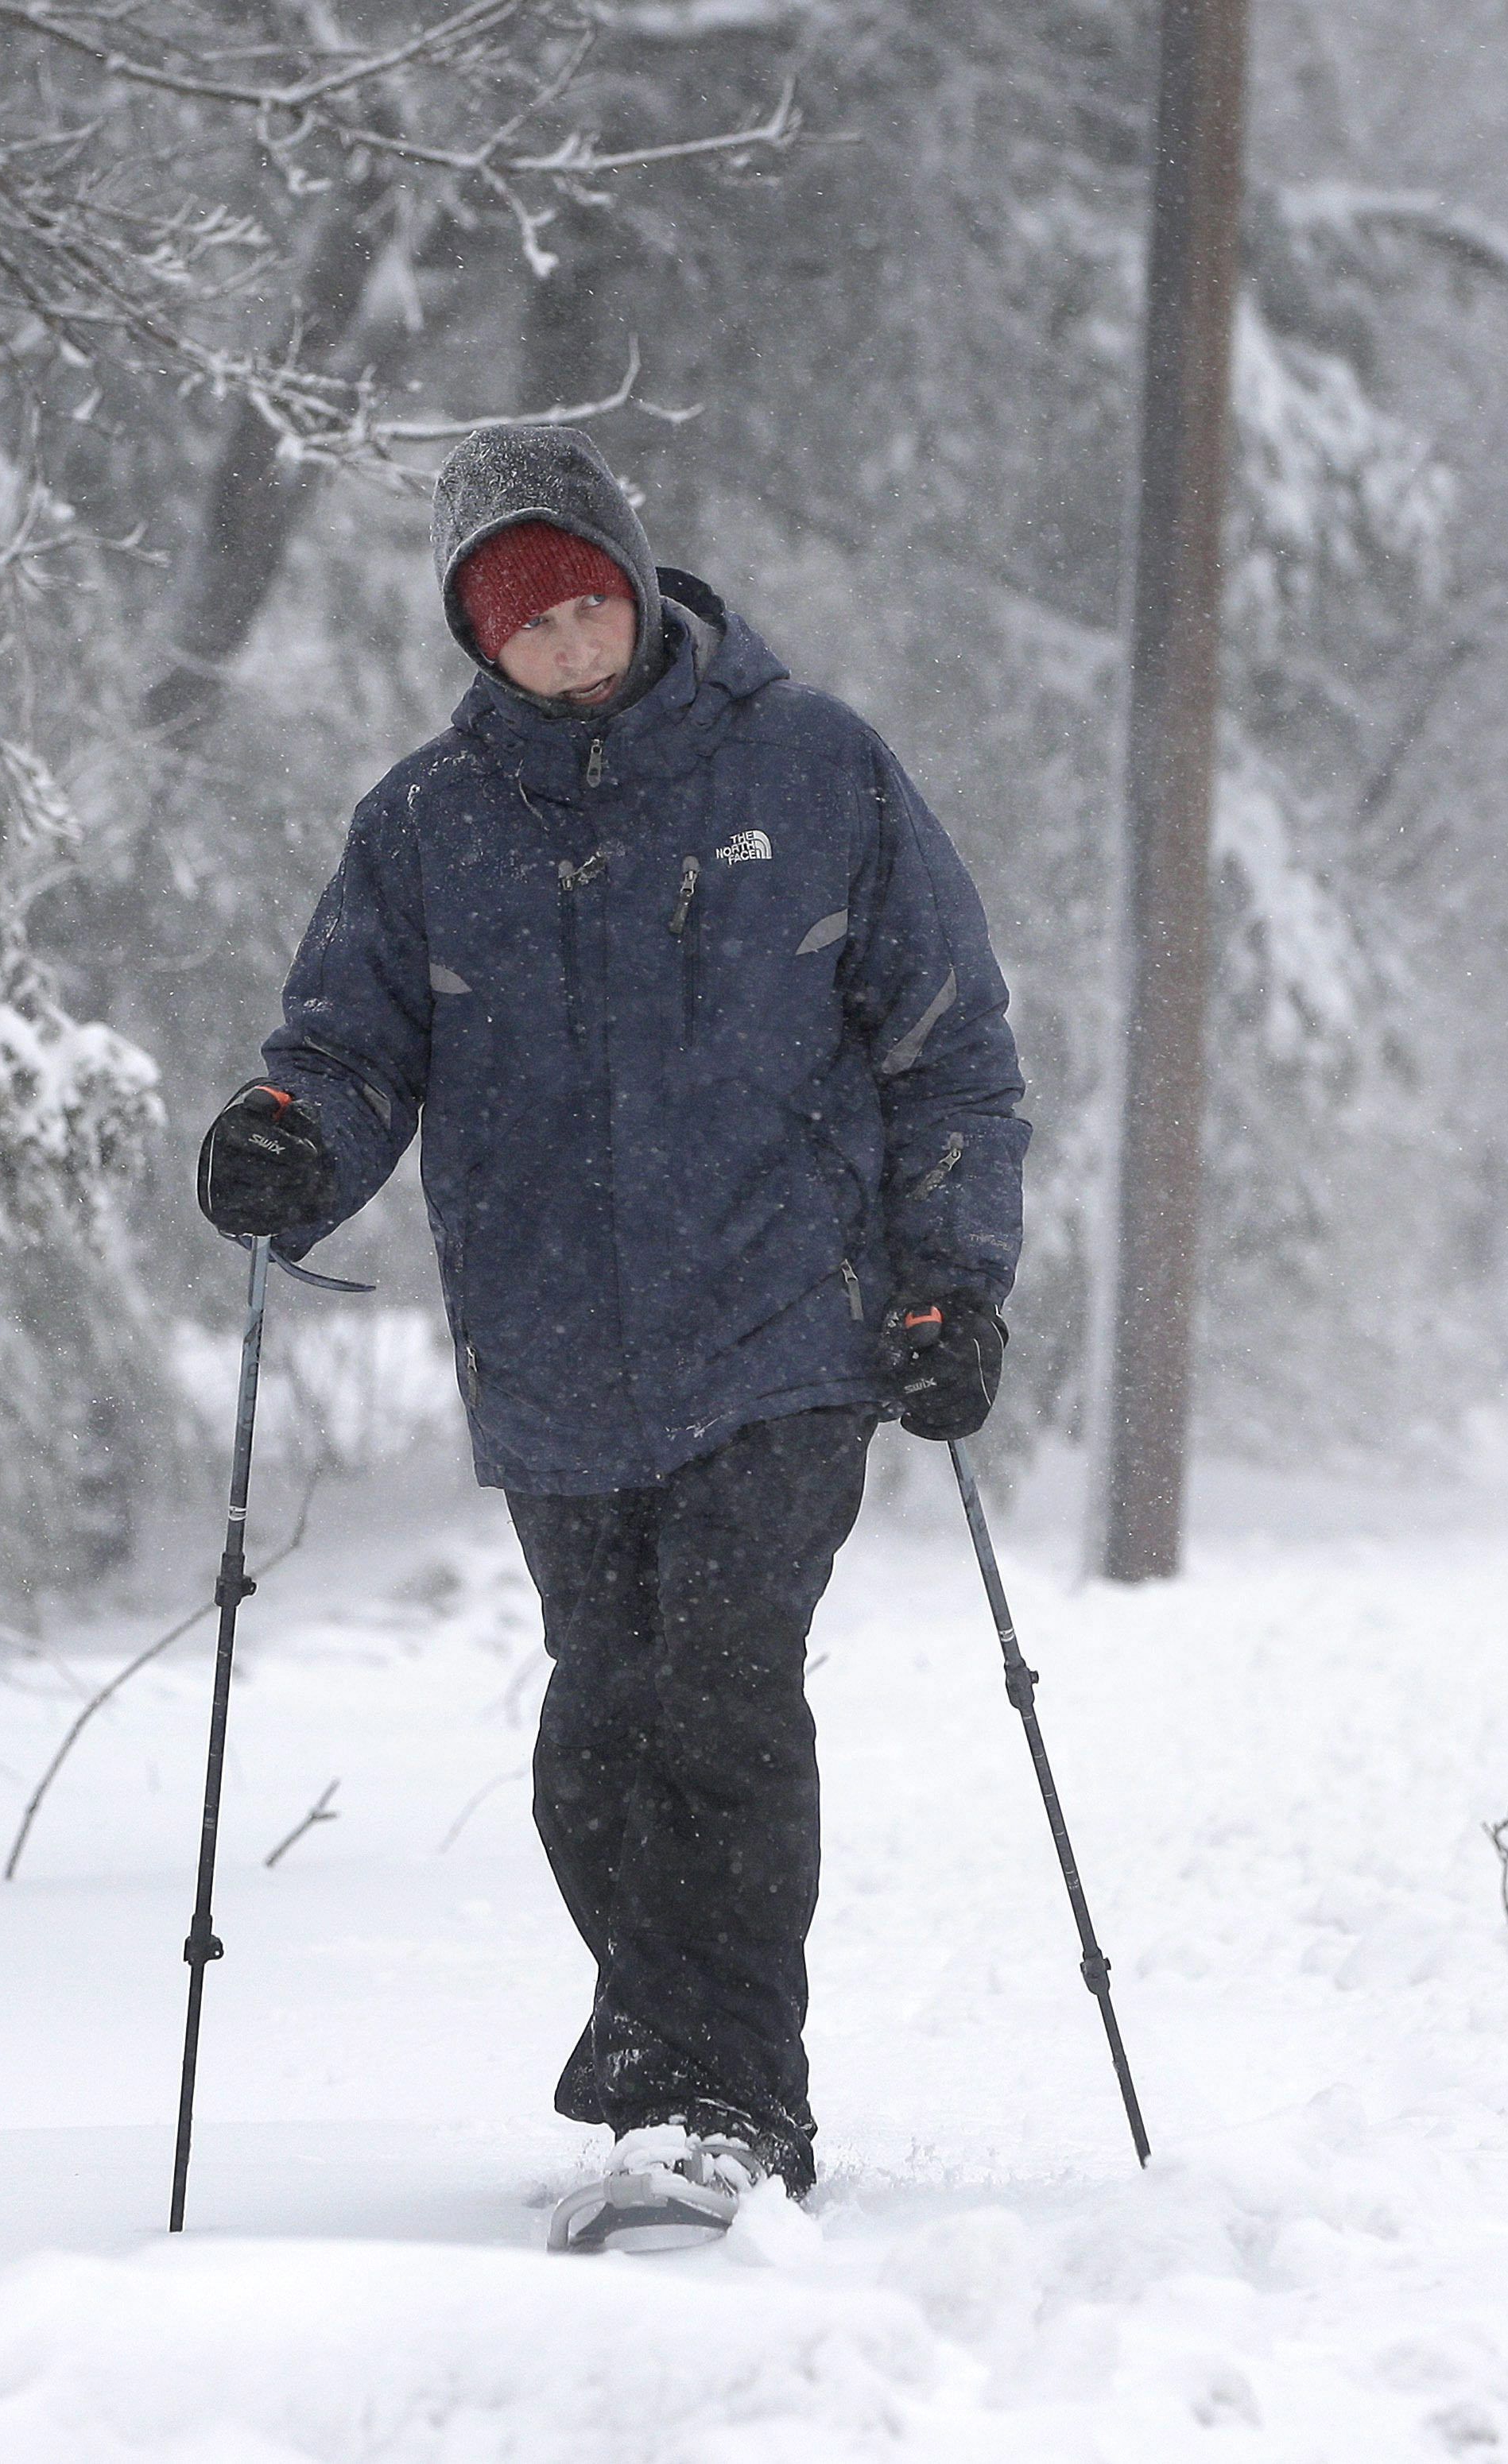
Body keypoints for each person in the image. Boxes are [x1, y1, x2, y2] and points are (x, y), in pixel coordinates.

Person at [191, 422, 1025, 2249]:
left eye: (585, 603)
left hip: (784, 1328)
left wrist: (951, 1281)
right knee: (596, 1728)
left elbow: (948, 1041)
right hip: (555, 1350)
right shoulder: (425, 826)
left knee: (723, 1685)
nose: (565, 646)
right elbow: (346, 1050)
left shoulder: (813, 768)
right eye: (523, 626)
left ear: (640, 586)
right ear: (476, 645)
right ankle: (671, 2054)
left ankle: (719, 2100)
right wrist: (286, 1138)